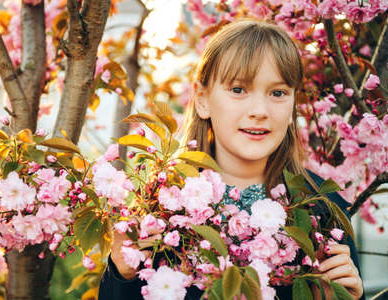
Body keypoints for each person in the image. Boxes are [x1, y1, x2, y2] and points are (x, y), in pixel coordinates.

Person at [99, 20, 364, 300]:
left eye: (278, 93)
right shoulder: (162, 206)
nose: (260, 111)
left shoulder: (322, 209)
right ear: (202, 99)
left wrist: (349, 296)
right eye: (238, 90)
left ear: (292, 106)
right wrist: (122, 276)